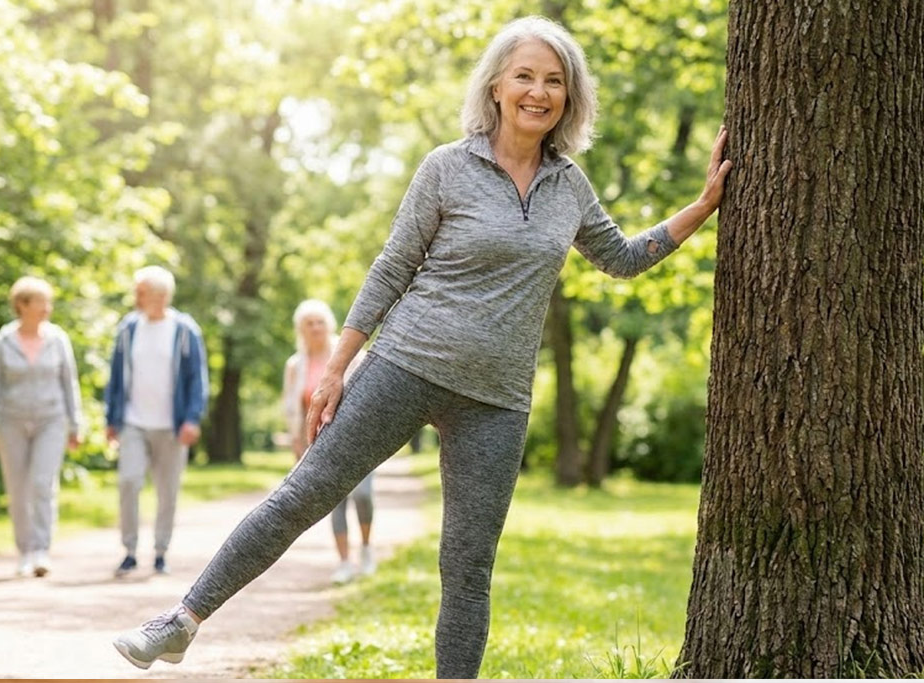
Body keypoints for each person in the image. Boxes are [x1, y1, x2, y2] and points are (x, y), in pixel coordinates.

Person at [113, 15, 732, 677]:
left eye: (554, 80)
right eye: (524, 75)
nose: (539, 91)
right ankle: (181, 621)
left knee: (468, 567)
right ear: (496, 85)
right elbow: (391, 268)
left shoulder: (569, 186)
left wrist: (703, 204)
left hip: (496, 401)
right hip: (405, 364)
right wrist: (337, 366)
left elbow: (624, 257)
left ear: (569, 97)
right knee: (302, 495)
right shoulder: (447, 167)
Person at [104, 265, 209, 578]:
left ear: (160, 296)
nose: (135, 297)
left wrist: (192, 418)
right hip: (133, 421)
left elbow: (197, 380)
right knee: (128, 481)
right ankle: (129, 551)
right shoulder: (128, 328)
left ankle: (161, 551)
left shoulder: (184, 330)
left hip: (172, 425)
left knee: (168, 490)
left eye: (141, 292)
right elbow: (115, 377)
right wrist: (111, 418)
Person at [0, 276, 83, 578]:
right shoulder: (2, 342)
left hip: (52, 419)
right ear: (22, 305)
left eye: (48, 303)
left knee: (42, 483)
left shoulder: (58, 339)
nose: (47, 308)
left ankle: (41, 550)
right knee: (18, 488)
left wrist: (76, 423)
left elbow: (69, 383)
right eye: (41, 303)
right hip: (11, 422)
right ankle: (24, 551)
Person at [283, 299, 375, 584]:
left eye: (320, 322)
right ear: (301, 329)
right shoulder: (295, 364)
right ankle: (345, 561)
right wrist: (297, 442)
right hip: (320, 441)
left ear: (329, 325)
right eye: (309, 323)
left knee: (362, 495)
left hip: (358, 437)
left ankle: (367, 548)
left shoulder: (351, 354)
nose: (315, 328)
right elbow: (292, 406)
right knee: (335, 501)